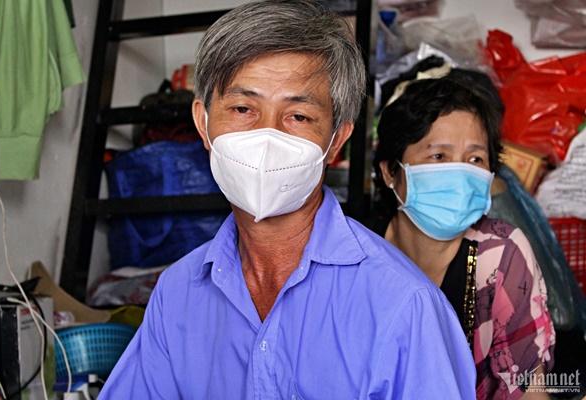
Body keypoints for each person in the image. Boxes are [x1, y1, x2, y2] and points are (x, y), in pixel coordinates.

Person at [99, 1, 476, 398]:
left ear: (336, 141)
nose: (267, 135)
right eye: (243, 108)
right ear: (203, 124)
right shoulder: (178, 293)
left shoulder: (404, 304)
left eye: (298, 116)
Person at [373, 66, 556, 399]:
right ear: (390, 172)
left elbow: (529, 388)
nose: (458, 173)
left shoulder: (500, 254)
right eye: (439, 156)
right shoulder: (354, 249)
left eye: (475, 159)